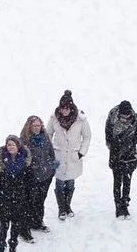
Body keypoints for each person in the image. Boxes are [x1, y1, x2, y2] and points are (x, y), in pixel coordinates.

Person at [0, 134, 34, 252]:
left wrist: (29, 199)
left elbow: (30, 183)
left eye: (13, 144)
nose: (11, 147)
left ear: (18, 146)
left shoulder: (25, 162)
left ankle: (13, 248)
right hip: (4, 199)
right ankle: (0, 248)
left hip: (20, 199)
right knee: (3, 226)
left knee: (16, 226)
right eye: (9, 144)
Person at [50, 91, 91, 219]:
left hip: (73, 156)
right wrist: (51, 151)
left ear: (71, 107)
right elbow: (48, 134)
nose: (64, 111)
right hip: (59, 155)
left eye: (67, 108)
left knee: (70, 183)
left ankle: (68, 206)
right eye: (62, 108)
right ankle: (61, 208)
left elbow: (87, 136)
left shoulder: (81, 119)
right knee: (59, 182)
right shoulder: (54, 118)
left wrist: (81, 152)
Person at [104, 100, 137, 217]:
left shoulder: (136, 119)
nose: (125, 117)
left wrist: (129, 140)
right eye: (122, 115)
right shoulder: (112, 116)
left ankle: (125, 204)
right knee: (117, 182)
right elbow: (108, 134)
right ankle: (118, 206)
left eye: (127, 115)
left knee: (127, 181)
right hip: (116, 155)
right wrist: (117, 143)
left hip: (130, 155)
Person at [17, 115, 55, 233]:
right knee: (29, 202)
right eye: (34, 125)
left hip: (45, 175)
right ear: (29, 126)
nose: (37, 128)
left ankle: (38, 222)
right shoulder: (23, 140)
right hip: (31, 177)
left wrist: (52, 169)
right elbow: (21, 159)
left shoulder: (45, 137)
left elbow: (51, 153)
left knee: (40, 201)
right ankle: (25, 227)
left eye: (39, 125)